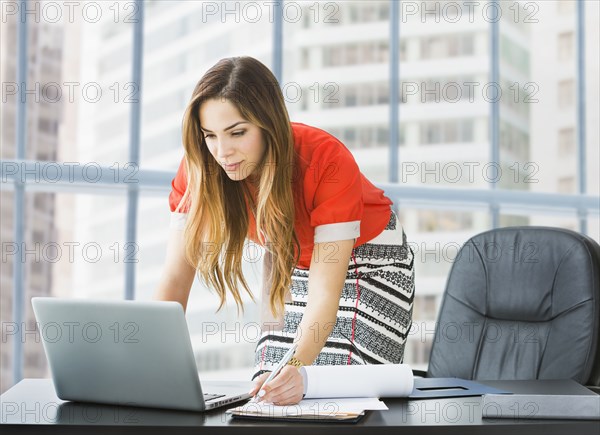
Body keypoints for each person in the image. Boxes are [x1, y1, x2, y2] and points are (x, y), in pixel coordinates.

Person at [153, 56, 415, 406]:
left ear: (268, 124)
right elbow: (174, 279)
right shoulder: (200, 168)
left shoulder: (325, 159)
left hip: (368, 260)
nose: (222, 151)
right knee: (268, 392)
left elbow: (324, 295)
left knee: (331, 389)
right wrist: (148, 365)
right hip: (286, 257)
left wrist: (296, 365)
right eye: (210, 136)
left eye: (238, 132)